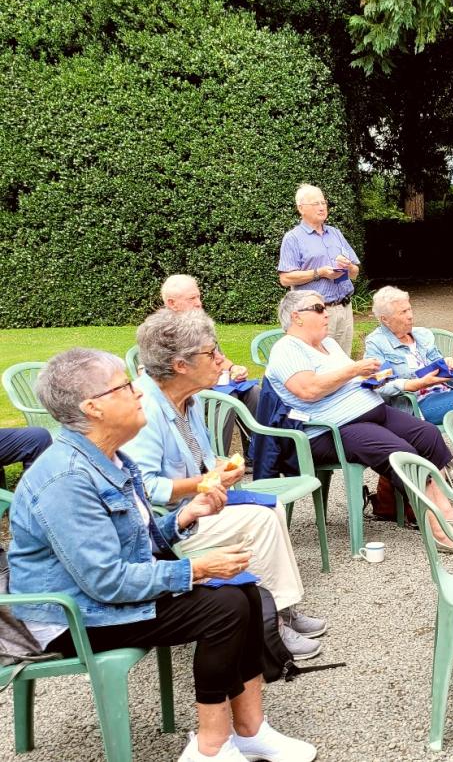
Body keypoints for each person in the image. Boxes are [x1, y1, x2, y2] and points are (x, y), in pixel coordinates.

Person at [6, 348, 316, 762]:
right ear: (93, 407)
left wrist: (186, 516)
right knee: (223, 607)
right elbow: (106, 581)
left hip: (100, 596)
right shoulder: (65, 479)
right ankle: (209, 747)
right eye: (125, 385)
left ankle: (251, 730)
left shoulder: (110, 456)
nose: (138, 392)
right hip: (72, 617)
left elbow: (136, 541)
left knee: (247, 592)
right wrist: (195, 569)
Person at [122, 308, 327, 661]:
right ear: (180, 364)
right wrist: (205, 482)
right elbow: (146, 489)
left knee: (271, 506)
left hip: (199, 504)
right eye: (211, 353)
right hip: (167, 525)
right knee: (258, 520)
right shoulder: (146, 410)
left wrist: (219, 469)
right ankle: (270, 623)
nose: (220, 360)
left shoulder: (190, 398)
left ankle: (280, 606)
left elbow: (203, 458)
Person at [264, 289, 453, 555]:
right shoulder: (286, 349)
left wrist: (368, 379)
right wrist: (354, 369)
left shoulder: (328, 344)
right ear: (297, 317)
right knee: (402, 453)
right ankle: (437, 531)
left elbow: (347, 381)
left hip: (371, 411)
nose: (326, 313)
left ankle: (447, 513)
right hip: (331, 429)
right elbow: (308, 390)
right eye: (319, 309)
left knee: (427, 434)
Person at [161, 273, 262, 455]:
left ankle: (255, 455)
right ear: (171, 303)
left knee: (253, 391)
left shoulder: (201, 324)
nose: (199, 303)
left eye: (199, 296)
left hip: (211, 383)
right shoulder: (163, 332)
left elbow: (219, 357)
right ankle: (214, 458)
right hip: (186, 392)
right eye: (192, 299)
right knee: (225, 400)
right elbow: (167, 376)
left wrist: (233, 369)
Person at [364, 286, 453, 426]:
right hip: (417, 405)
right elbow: (378, 385)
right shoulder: (377, 343)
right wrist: (414, 384)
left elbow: (448, 377)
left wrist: (450, 366)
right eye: (403, 312)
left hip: (446, 393)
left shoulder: (423, 335)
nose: (410, 315)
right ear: (385, 319)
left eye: (410, 309)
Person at [277, 184, 360, 355]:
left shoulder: (335, 233)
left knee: (344, 363)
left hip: (344, 309)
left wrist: (349, 266)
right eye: (316, 204)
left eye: (323, 202)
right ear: (301, 208)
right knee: (320, 363)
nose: (322, 207)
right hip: (315, 313)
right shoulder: (293, 238)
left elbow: (355, 273)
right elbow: (285, 279)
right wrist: (319, 273)